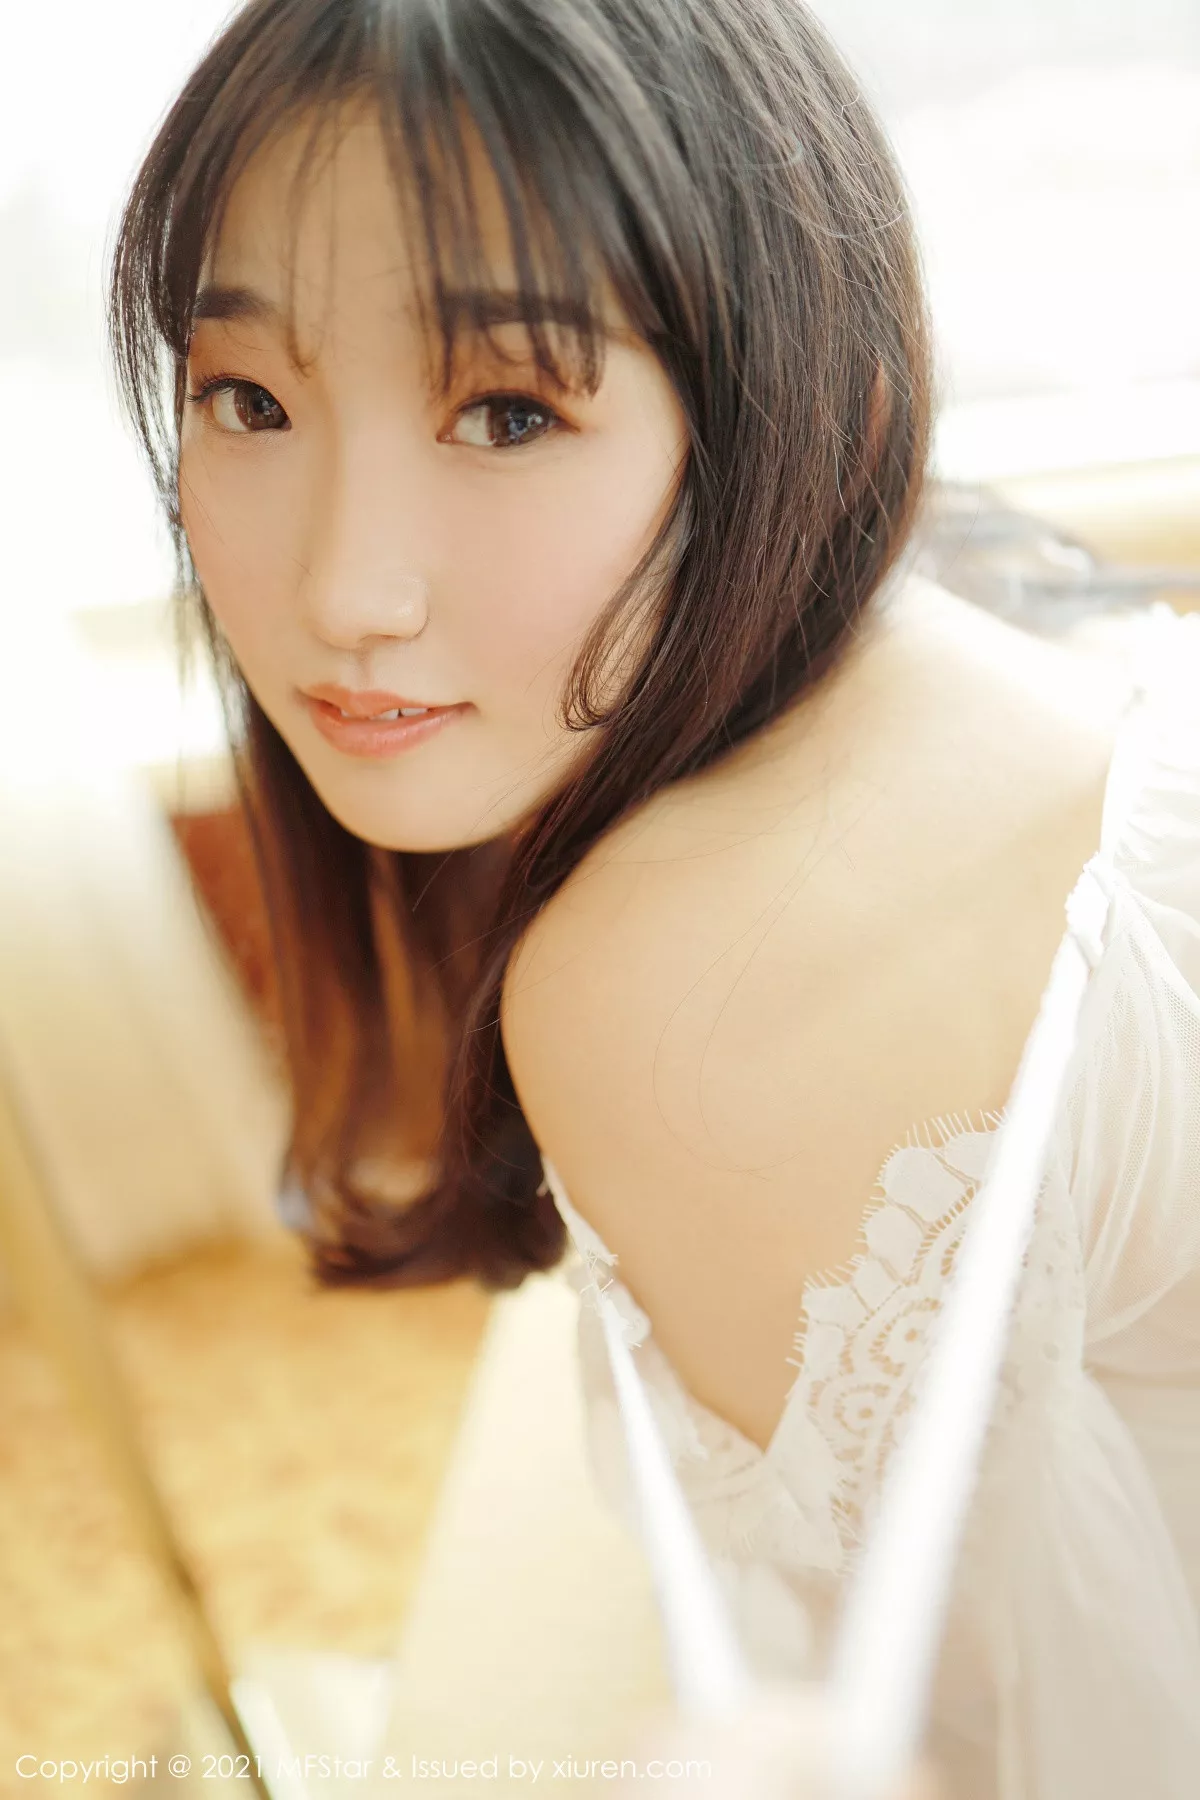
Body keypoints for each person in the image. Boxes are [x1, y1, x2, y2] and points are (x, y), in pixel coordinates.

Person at [107, 1, 1200, 1794]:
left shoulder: (659, 983)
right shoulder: (925, 621)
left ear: (776, 411)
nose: (346, 590)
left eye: (508, 411)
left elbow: (1026, 1734)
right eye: (250, 399)